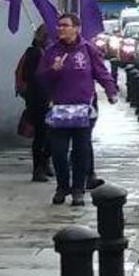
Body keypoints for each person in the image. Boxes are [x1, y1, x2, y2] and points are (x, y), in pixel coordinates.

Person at [34, 14, 119, 207]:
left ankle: (78, 189)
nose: (60, 29)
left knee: (81, 151)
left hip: (83, 111)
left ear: (77, 28)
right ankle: (62, 186)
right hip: (60, 111)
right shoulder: (51, 51)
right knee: (58, 152)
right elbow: (39, 79)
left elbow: (101, 73)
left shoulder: (88, 50)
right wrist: (53, 70)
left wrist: (111, 91)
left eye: (65, 25)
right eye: (59, 26)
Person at [15, 24, 52, 182]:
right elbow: (31, 77)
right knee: (41, 136)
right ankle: (38, 168)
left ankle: (46, 162)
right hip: (38, 101)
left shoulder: (54, 53)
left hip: (53, 100)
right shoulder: (34, 53)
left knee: (52, 136)